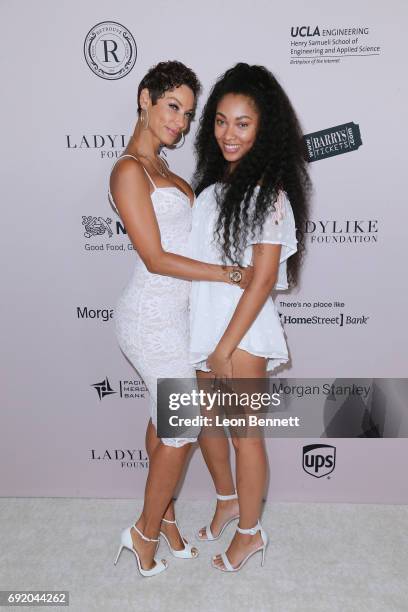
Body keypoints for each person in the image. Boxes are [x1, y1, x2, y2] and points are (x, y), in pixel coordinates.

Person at [108, 60, 252, 577]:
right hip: (149, 317)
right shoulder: (129, 170)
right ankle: (144, 535)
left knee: (163, 419)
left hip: (180, 317)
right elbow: (156, 257)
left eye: (189, 114)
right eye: (173, 107)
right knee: (182, 424)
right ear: (145, 98)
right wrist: (227, 274)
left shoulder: (167, 171)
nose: (182, 122)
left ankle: (165, 521)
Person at [189, 63, 311, 572]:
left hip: (240, 335)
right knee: (204, 425)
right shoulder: (215, 189)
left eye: (242, 123)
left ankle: (250, 533)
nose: (229, 134)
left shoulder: (270, 195)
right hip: (204, 324)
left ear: (264, 129)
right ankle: (226, 499)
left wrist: (223, 347)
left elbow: (261, 281)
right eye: (220, 121)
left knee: (245, 437)